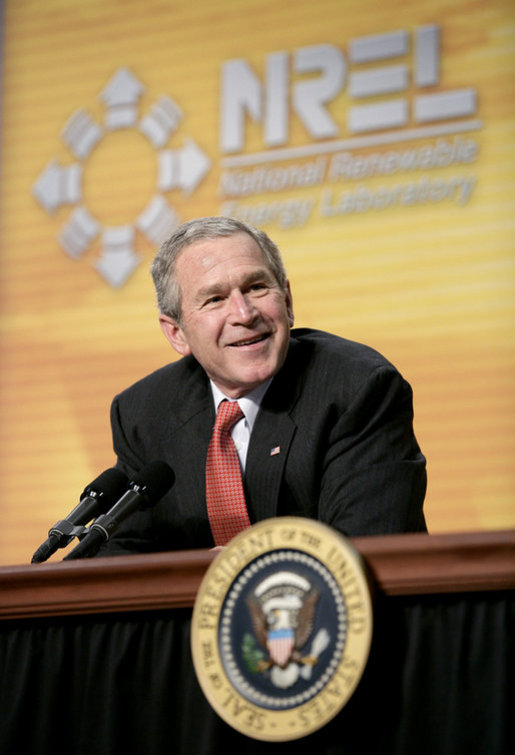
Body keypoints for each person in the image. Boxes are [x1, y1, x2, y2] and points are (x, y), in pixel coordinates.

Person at [99, 216, 426, 555]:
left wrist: (233, 568)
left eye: (256, 287)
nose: (243, 313)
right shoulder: (145, 412)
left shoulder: (356, 390)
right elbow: (119, 558)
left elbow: (365, 550)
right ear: (177, 333)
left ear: (287, 300)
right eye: (215, 299)